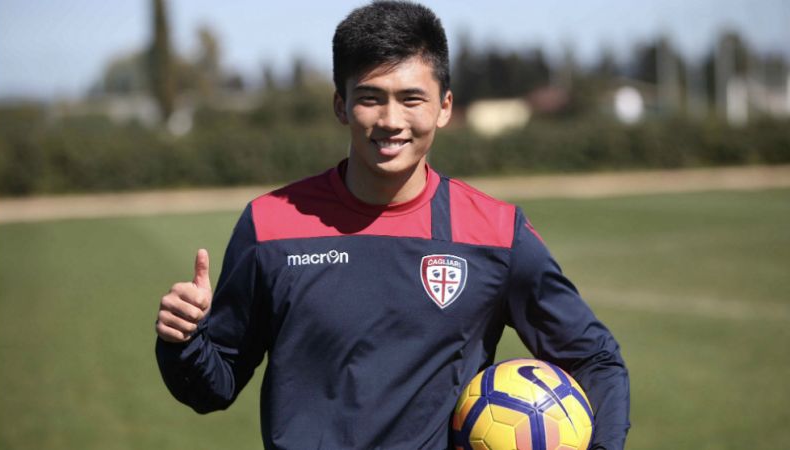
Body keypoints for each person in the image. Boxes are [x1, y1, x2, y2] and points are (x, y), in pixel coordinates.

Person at [155, 1, 630, 449]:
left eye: (411, 99)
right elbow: (212, 387)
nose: (390, 120)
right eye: (370, 98)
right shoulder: (270, 225)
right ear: (341, 105)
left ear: (444, 106)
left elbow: (595, 359)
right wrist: (183, 340)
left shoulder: (496, 234)